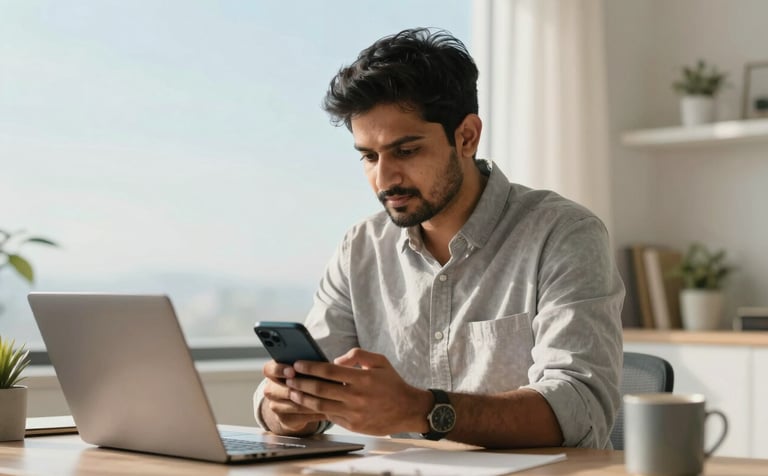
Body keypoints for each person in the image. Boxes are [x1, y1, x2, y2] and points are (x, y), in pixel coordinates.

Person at [253, 27, 624, 449]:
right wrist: (285, 409)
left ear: (466, 137)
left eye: (406, 151)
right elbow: (301, 382)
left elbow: (579, 409)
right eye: (369, 157)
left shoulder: (564, 234)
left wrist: (423, 410)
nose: (384, 178)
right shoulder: (361, 247)